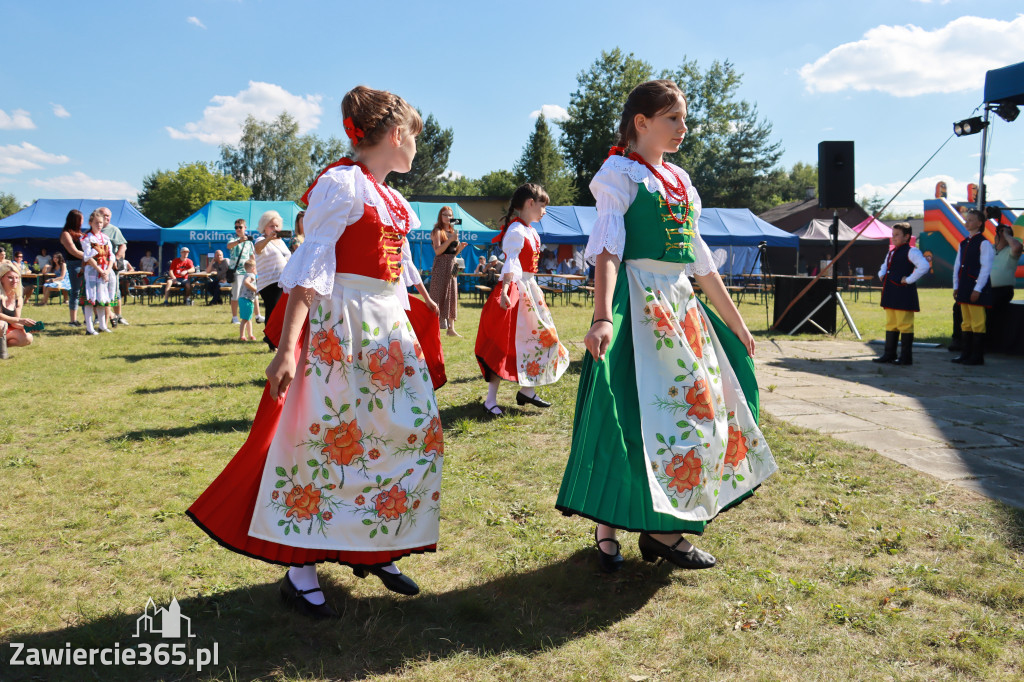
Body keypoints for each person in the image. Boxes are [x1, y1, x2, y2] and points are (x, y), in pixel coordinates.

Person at [187, 85, 442, 618]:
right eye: (415, 136)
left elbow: (392, 273)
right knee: (326, 442)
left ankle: (378, 541)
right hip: (340, 329)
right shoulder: (342, 185)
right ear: (396, 136)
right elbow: (308, 274)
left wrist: (417, 312)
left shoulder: (391, 197)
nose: (417, 147)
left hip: (384, 332)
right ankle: (299, 570)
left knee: (408, 432)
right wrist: (286, 350)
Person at [556, 79, 777, 574]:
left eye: (682, 118)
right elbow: (609, 249)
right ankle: (611, 525)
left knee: (696, 409)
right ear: (642, 123)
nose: (682, 128)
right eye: (672, 118)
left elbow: (700, 262)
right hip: (639, 302)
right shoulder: (619, 175)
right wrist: (599, 317)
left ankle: (662, 529)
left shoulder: (679, 180)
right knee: (630, 414)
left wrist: (736, 321)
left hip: (680, 305)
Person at [474, 183, 569, 416]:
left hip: (529, 289)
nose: (545, 211)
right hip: (516, 290)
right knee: (504, 343)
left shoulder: (531, 231)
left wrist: (535, 288)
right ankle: (490, 400)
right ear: (530, 203)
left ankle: (527, 391)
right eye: (543, 206)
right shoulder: (516, 231)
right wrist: (506, 289)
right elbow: (511, 264)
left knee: (542, 339)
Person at [873, 223, 929, 366]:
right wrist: (881, 274)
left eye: (897, 235)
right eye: (893, 234)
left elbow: (924, 266)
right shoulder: (891, 251)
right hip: (891, 292)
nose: (894, 237)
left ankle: (906, 357)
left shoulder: (912, 251)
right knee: (891, 323)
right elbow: (884, 265)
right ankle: (889, 354)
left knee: (905, 324)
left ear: (906, 236)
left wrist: (909, 279)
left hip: (903, 293)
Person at [952, 208, 994, 365]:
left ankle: (977, 356)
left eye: (970, 220)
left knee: (977, 321)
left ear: (979, 223)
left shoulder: (984, 243)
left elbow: (986, 268)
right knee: (966, 322)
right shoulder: (963, 243)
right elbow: (957, 266)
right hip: (964, 286)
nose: (967, 222)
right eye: (966, 219)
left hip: (975, 287)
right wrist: (956, 285)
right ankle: (965, 354)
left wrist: (978, 289)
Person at [253, 210, 292, 348]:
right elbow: (257, 248)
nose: (275, 229)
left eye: (277, 226)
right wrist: (269, 238)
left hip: (283, 281)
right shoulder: (260, 239)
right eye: (271, 226)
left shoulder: (281, 242)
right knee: (272, 309)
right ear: (264, 227)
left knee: (281, 312)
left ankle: (276, 339)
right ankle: (271, 341)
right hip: (269, 282)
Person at [428, 206, 467, 337]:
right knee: (437, 294)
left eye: (450, 215)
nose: (448, 217)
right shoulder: (437, 231)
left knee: (452, 295)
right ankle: (433, 326)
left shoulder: (453, 231)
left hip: (452, 265)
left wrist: (460, 248)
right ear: (440, 216)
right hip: (440, 265)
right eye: (445, 215)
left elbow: (453, 253)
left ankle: (451, 329)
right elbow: (438, 251)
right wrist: (450, 240)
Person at [987, 222, 1022, 351]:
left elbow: (1017, 246)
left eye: (1002, 234)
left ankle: (990, 344)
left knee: (991, 308)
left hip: (1002, 290)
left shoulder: (1011, 251)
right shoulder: (989, 249)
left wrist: (1006, 234)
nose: (999, 235)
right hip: (985, 289)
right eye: (999, 233)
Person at [81, 210, 116, 334]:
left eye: (101, 222)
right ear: (91, 223)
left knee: (102, 300)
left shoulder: (106, 238)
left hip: (104, 271)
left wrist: (107, 270)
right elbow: (88, 257)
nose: (99, 225)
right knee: (90, 300)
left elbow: (111, 256)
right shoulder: (86, 238)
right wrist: (100, 270)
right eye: (96, 222)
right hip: (92, 270)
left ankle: (102, 325)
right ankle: (89, 328)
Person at [99, 207, 130, 326]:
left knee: (115, 291)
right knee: (100, 291)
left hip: (111, 266)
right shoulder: (94, 230)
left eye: (108, 216)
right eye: (104, 215)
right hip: (98, 266)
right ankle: (103, 316)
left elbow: (123, 246)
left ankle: (118, 316)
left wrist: (116, 258)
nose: (106, 217)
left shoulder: (114, 230)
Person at [0, 261, 36, 359]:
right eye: (10, 277)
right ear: (1, 278)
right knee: (1, 324)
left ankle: (2, 348)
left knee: (27, 338)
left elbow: (15, 322)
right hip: (1, 326)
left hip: (4, 329)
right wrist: (19, 321)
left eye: (17, 277)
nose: (14, 280)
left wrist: (28, 326)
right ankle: (2, 353)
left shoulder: (18, 297)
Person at [226, 219, 257, 324]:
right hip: (236, 272)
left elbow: (252, 256)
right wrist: (239, 241)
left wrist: (255, 270)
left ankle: (255, 316)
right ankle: (234, 317)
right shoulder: (233, 239)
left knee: (251, 293)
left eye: (240, 227)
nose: (238, 229)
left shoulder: (249, 241)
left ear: (245, 228)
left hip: (248, 271)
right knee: (236, 294)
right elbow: (228, 246)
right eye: (236, 227)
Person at [59, 209, 86, 326]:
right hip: (74, 264)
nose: (82, 222)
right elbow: (73, 251)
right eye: (80, 219)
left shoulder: (82, 234)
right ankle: (73, 320)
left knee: (86, 292)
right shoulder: (66, 234)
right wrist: (90, 257)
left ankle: (87, 318)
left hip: (86, 264)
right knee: (75, 292)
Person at [237, 258, 258, 341]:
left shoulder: (246, 274)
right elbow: (246, 282)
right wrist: (256, 290)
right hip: (246, 299)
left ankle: (250, 335)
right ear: (253, 268)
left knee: (248, 318)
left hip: (246, 299)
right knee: (245, 319)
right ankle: (242, 336)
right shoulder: (251, 275)